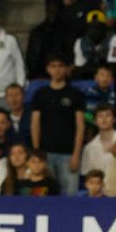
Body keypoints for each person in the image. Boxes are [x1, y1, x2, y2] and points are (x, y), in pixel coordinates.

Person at [31, 54, 86, 191]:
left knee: (70, 197)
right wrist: (37, 153)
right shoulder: (40, 94)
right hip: (46, 154)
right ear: (47, 69)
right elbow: (35, 124)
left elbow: (80, 126)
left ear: (66, 69)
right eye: (53, 66)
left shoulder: (75, 94)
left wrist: (76, 154)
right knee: (46, 196)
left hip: (68, 154)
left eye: (61, 66)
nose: (57, 70)